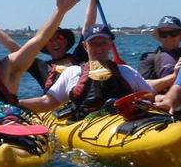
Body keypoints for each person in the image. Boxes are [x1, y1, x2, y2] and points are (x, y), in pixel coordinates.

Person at [19, 24, 154, 118]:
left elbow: (151, 96)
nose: (99, 48)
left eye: (103, 42)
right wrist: (14, 102)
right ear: (85, 46)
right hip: (88, 124)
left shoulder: (126, 71)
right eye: (93, 43)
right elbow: (47, 103)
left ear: (111, 45)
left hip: (125, 120)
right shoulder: (73, 72)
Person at [138, 16, 181, 94]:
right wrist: (174, 76)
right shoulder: (149, 58)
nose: (168, 37)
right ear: (159, 36)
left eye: (173, 33)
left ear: (180, 35)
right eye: (164, 34)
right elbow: (142, 87)